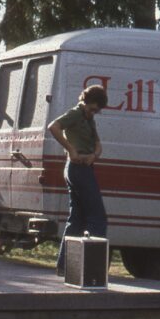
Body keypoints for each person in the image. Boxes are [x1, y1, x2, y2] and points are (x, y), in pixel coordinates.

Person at [47, 84, 109, 275]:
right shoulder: (76, 113)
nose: (94, 113)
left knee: (77, 218)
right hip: (77, 168)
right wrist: (71, 149)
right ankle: (93, 267)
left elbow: (98, 143)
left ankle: (64, 266)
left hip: (85, 165)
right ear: (85, 101)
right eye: (92, 109)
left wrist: (94, 156)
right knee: (97, 217)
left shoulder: (89, 119)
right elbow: (54, 127)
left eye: (97, 111)